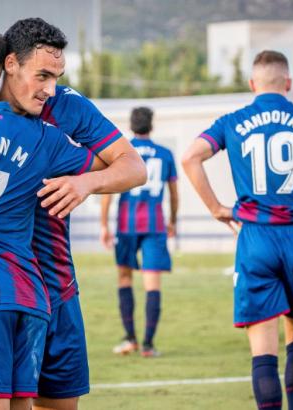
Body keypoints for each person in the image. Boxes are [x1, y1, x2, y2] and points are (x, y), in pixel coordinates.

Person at [0, 18, 146, 410]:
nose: (49, 89)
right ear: (9, 64)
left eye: (56, 76)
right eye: (42, 76)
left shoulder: (65, 106)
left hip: (56, 291)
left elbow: (134, 166)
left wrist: (86, 183)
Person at [181, 50, 293, 410]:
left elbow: (190, 157)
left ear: (253, 85)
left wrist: (217, 208)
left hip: (255, 238)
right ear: (289, 83)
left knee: (263, 348)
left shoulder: (233, 121)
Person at [99, 107, 178, 357]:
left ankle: (130, 339)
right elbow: (174, 193)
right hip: (154, 225)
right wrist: (172, 221)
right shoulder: (165, 154)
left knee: (124, 279)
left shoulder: (123, 153)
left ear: (131, 126)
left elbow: (108, 191)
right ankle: (148, 345)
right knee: (152, 285)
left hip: (126, 225)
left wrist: (104, 225)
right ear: (151, 125)